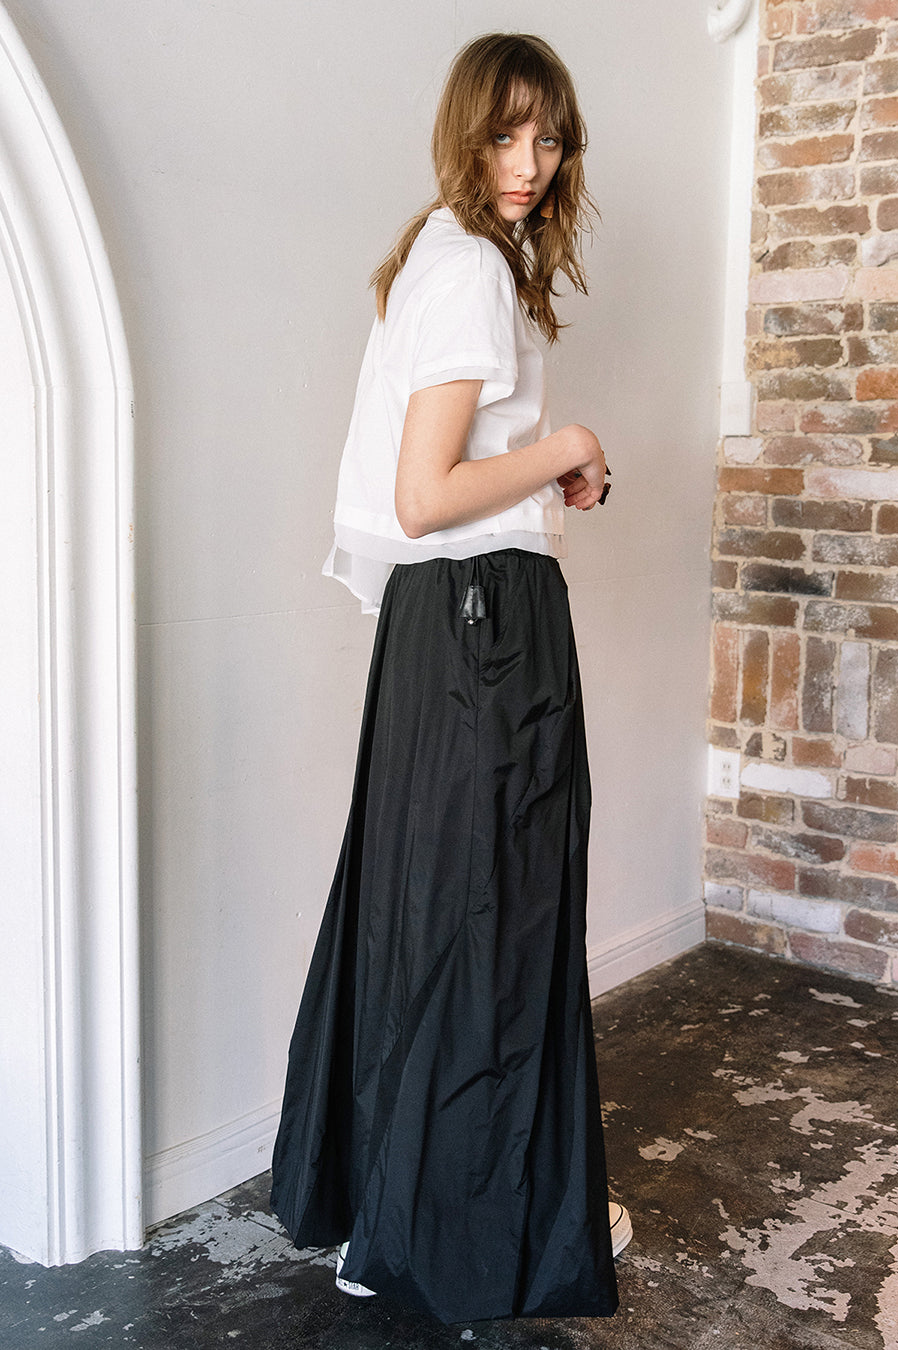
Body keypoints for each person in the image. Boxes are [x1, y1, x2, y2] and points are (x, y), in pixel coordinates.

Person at [270, 31, 630, 1324]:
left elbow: (430, 487)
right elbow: (426, 494)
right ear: (463, 134)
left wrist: (549, 465)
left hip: (438, 627)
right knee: (496, 919)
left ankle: (395, 1213)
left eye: (549, 138)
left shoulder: (434, 252)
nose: (527, 162)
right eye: (504, 134)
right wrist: (571, 442)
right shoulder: (472, 267)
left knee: (432, 915)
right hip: (488, 625)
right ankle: (464, 1229)